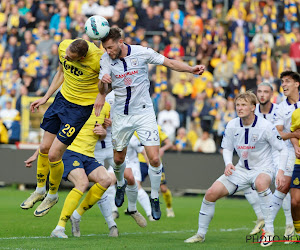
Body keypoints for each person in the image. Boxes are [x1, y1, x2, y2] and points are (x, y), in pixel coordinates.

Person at [98, 27, 205, 220]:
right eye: (105, 48)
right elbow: (101, 89)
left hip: (144, 113)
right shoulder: (105, 59)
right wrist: (103, 81)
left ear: (120, 42)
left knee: (155, 159)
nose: (108, 51)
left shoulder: (141, 52)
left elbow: (169, 62)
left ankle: (155, 197)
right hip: (121, 115)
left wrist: (190, 69)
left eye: (111, 47)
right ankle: (120, 183)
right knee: (118, 160)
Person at [184, 91, 288, 247]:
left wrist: (280, 171)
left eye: (244, 105)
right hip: (240, 170)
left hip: (263, 169)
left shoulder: (266, 126)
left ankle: (269, 232)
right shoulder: (232, 124)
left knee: (261, 183)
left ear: (254, 107)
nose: (239, 108)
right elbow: (226, 148)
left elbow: (283, 149)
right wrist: (228, 163)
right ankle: (200, 234)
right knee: (211, 193)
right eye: (238, 105)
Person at [20, 39, 104, 217]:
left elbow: (109, 83)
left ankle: (52, 195)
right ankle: (40, 190)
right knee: (43, 147)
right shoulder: (64, 46)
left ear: (81, 57)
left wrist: (102, 94)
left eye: (71, 58)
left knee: (53, 154)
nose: (66, 57)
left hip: (79, 110)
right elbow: (60, 73)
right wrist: (45, 97)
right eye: (66, 55)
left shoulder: (99, 60)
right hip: (61, 101)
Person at [244, 82, 294, 239]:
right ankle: (261, 217)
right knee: (245, 183)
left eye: (266, 92)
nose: (262, 95)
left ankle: (289, 224)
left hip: (277, 152)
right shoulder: (252, 110)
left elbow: (287, 131)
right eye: (259, 91)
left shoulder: (278, 110)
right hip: (259, 153)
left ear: (271, 94)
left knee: (281, 187)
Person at [94, 91, 147, 227]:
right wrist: (101, 127)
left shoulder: (118, 95)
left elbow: (129, 120)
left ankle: (132, 208)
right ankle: (111, 217)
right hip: (96, 147)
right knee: (97, 184)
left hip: (116, 143)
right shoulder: (92, 96)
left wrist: (113, 123)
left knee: (129, 177)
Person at [272, 71, 300, 240]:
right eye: (282, 82)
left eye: (287, 81)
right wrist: (295, 136)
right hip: (288, 150)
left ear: (297, 84)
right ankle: (285, 226)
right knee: (283, 186)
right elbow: (279, 134)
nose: (283, 85)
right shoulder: (281, 107)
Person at [135, 125, 175, 218]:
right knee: (134, 186)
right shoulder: (136, 128)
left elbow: (169, 143)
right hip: (141, 162)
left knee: (163, 188)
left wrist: (162, 149)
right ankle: (132, 207)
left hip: (155, 162)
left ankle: (169, 208)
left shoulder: (157, 127)